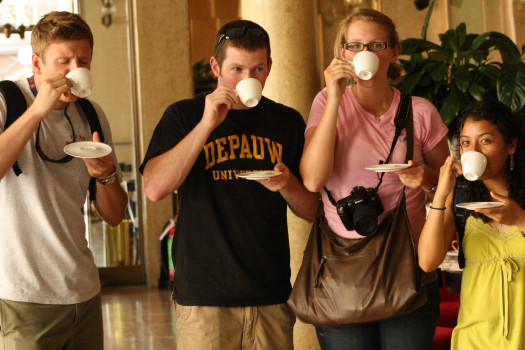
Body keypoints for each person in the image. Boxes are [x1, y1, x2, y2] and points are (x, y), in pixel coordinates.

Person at [140, 19, 319, 350]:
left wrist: (286, 182)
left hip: (270, 294)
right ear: (215, 67)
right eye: (237, 69)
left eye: (258, 69)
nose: (248, 79)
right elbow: (154, 188)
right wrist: (207, 125)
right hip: (204, 299)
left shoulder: (286, 121)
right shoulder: (183, 116)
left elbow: (311, 210)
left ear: (269, 68)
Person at [299, 8, 450, 350]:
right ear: (343, 53)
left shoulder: (420, 111)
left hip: (408, 267)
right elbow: (311, 179)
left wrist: (426, 177)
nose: (364, 53)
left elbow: (447, 182)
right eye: (354, 45)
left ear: (394, 51)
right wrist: (336, 95)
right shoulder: (326, 103)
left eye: (376, 44)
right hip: (342, 267)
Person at [0, 11, 128, 349]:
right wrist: (38, 111)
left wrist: (106, 176)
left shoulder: (91, 113)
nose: (74, 69)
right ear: (37, 65)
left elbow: (115, 216)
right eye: (63, 61)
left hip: (83, 291)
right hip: (23, 297)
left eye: (82, 60)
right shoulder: (6, 102)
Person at [418, 100, 525, 350]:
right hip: (475, 338)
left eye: (485, 141)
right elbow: (427, 261)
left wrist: (520, 219)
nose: (473, 151)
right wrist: (443, 193)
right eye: (466, 143)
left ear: (511, 145)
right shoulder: (461, 198)